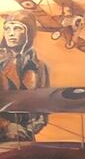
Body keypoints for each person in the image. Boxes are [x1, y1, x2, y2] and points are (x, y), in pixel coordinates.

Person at [0, 11, 50, 140]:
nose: (10, 33)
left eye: (17, 28)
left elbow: (44, 106)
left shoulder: (40, 67)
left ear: (29, 33)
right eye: (7, 28)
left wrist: (28, 130)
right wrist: (6, 126)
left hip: (25, 138)